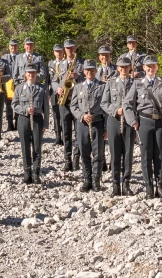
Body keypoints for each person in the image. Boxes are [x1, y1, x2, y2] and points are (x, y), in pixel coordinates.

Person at [125, 58, 162, 198]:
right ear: (144, 67)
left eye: (153, 66)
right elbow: (127, 103)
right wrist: (133, 121)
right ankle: (149, 186)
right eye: (148, 66)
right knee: (146, 155)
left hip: (161, 122)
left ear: (157, 67)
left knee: (160, 155)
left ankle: (160, 185)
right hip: (144, 122)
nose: (151, 68)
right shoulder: (138, 84)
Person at [69, 61, 107, 192]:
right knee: (84, 152)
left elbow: (106, 108)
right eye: (87, 70)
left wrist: (106, 128)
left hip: (98, 123)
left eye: (92, 70)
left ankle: (96, 180)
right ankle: (87, 179)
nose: (89, 73)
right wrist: (82, 116)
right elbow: (73, 106)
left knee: (98, 154)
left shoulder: (102, 87)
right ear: (84, 72)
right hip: (83, 123)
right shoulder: (78, 87)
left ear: (95, 71)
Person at [102, 55, 135, 196]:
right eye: (121, 67)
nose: (123, 69)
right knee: (115, 153)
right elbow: (104, 103)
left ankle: (126, 183)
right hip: (114, 121)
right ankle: (115, 184)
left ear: (130, 68)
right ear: (117, 68)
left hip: (128, 122)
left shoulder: (135, 83)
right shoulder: (111, 83)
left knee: (128, 153)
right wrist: (116, 110)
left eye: (126, 67)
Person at [13, 64, 49, 185]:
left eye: (33, 73)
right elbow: (14, 105)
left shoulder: (42, 88)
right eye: (29, 73)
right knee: (25, 147)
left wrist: (45, 124)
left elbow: (46, 109)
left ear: (36, 74)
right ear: (25, 74)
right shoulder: (19, 88)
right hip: (23, 119)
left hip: (38, 119)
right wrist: (25, 110)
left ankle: (36, 173)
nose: (31, 75)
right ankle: (27, 173)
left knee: (37, 147)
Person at [50, 41, 78, 170]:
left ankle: (77, 158)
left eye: (71, 48)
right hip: (64, 102)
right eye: (67, 48)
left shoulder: (81, 64)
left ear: (75, 48)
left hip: (77, 102)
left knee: (78, 133)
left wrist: (78, 76)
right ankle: (68, 160)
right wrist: (57, 89)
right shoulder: (60, 64)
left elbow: (89, 79)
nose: (69, 50)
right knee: (66, 132)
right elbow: (54, 80)